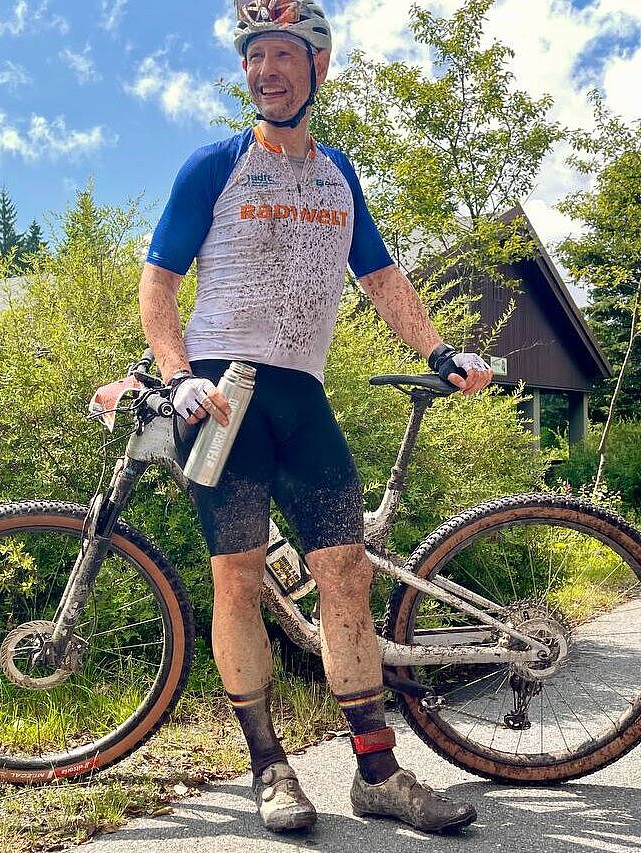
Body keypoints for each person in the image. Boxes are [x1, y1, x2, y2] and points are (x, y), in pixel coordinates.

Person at [137, 0, 491, 835]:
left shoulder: (338, 175)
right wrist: (178, 375)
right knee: (238, 578)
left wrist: (441, 351)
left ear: (318, 66)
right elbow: (158, 283)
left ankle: (376, 772)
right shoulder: (211, 166)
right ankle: (271, 769)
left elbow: (380, 275)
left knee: (348, 570)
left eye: (282, 55)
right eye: (254, 57)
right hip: (221, 395)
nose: (266, 71)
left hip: (301, 396)